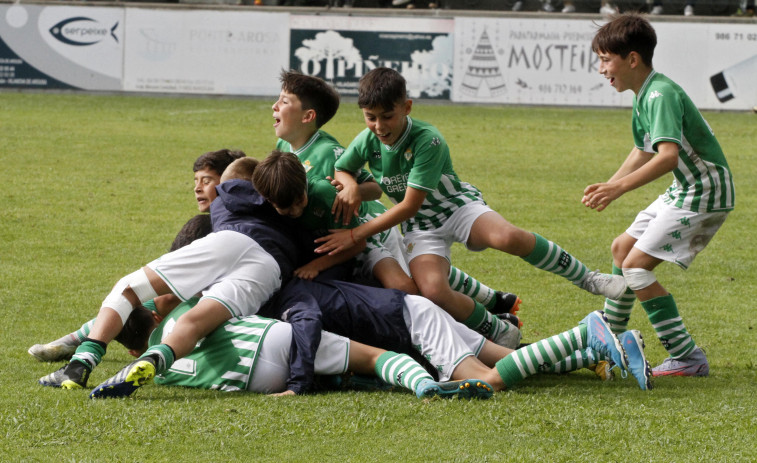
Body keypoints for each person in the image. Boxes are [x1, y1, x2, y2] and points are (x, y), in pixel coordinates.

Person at [317, 67, 626, 346]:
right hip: (421, 229)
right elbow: (342, 168)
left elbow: (410, 205)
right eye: (371, 117)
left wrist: (355, 235)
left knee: (508, 237)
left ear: (407, 107)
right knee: (433, 290)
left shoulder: (427, 139)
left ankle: (589, 278)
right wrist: (352, 185)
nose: (379, 125)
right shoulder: (367, 140)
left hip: (456, 209)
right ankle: (499, 330)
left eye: (387, 116)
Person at [38, 158, 318, 392]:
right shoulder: (300, 222)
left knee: (128, 289)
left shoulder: (237, 195)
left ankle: (80, 365)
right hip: (271, 269)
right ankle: (154, 359)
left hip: (233, 240)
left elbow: (238, 175)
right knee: (195, 322)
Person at [272, 69, 521, 316]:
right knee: (424, 275)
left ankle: (489, 323)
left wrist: (352, 190)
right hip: (352, 234)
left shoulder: (328, 152)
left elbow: (374, 188)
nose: (274, 106)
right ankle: (493, 300)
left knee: (414, 291)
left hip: (373, 228)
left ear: (308, 116)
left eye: (283, 102)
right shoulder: (284, 146)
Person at [584, 13, 734, 377]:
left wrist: (618, 188)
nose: (602, 69)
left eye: (606, 60)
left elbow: (667, 157)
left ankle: (687, 357)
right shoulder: (645, 93)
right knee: (622, 249)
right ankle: (610, 341)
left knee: (635, 267)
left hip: (704, 191)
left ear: (632, 59)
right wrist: (611, 184)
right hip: (686, 187)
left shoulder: (660, 94)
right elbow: (644, 150)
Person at [93, 302, 495, 400]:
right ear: (151, 310)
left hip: (253, 382)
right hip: (270, 339)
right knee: (375, 356)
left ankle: (347, 380)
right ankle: (426, 385)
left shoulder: (162, 372)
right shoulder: (183, 310)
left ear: (132, 353)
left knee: (335, 379)